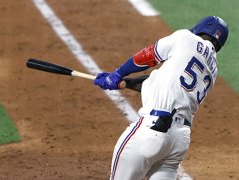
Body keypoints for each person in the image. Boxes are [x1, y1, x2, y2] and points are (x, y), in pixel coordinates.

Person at [94, 16, 229, 180]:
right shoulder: (212, 69)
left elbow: (149, 55)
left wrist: (117, 74)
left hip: (151, 130)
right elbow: (161, 81)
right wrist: (123, 84)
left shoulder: (186, 38)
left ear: (200, 28)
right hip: (178, 141)